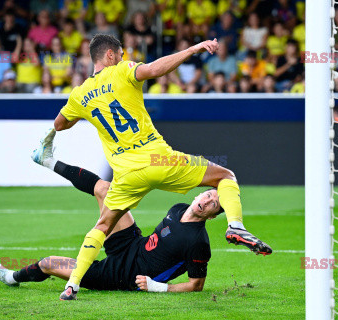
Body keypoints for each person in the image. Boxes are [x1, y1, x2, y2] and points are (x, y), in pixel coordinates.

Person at [31, 34, 272, 300]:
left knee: (102, 226)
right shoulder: (122, 71)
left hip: (126, 173)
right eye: (121, 54)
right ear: (111, 55)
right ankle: (235, 224)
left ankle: (72, 286)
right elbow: (156, 69)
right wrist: (192, 49)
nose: (123, 58)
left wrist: (60, 129)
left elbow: (60, 124)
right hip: (159, 160)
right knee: (225, 175)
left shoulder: (79, 95)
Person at [0, 155, 231, 293]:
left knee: (49, 263)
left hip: (121, 276)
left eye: (214, 205)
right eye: (208, 195)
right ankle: (47, 159)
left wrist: (158, 288)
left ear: (212, 216)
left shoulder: (198, 242)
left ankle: (10, 276)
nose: (208, 201)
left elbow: (196, 285)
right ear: (199, 193)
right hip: (131, 244)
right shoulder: (178, 209)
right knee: (106, 189)